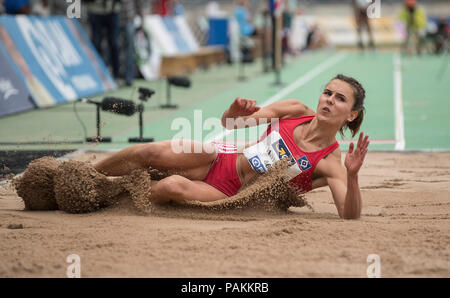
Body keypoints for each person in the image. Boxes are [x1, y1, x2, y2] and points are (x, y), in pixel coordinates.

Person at [93, 74, 370, 219]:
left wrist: (353, 176)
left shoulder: (330, 162)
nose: (329, 100)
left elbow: (349, 214)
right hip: (220, 159)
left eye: (340, 98)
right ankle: (90, 174)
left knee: (170, 187)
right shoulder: (295, 110)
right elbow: (231, 124)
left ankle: (105, 196)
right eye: (327, 92)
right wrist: (234, 111)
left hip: (227, 191)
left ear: (351, 114)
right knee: (150, 153)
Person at [87, 0, 121, 80]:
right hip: (95, 10)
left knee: (114, 43)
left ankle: (116, 75)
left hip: (113, 9)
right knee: (96, 44)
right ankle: (96, 74)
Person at [120, 0, 143, 86]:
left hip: (129, 19)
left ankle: (129, 78)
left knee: (130, 49)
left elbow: (138, 3)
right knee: (113, 47)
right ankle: (115, 76)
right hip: (115, 18)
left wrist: (140, 18)